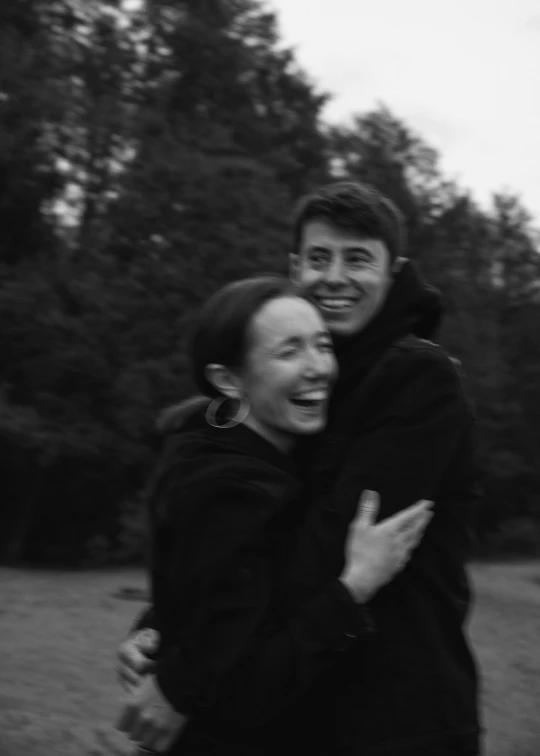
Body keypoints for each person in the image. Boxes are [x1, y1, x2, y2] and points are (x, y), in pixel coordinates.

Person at [118, 182, 481, 755]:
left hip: (396, 718)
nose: (334, 276)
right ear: (294, 267)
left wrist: (188, 675)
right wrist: (164, 625)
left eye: (358, 258)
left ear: (394, 271)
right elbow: (238, 546)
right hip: (300, 711)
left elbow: (329, 545)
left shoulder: (417, 379)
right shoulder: (295, 392)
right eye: (318, 258)